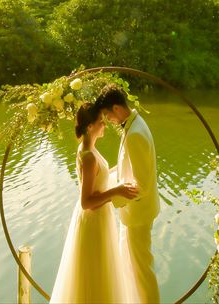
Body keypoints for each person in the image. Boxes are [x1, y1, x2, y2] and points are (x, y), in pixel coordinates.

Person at [50, 102, 139, 304]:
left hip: (98, 219)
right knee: (96, 274)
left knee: (97, 273)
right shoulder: (88, 157)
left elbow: (101, 176)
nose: (104, 125)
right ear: (90, 126)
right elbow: (86, 201)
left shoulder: (87, 148)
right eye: (100, 122)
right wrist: (117, 190)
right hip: (93, 221)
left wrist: (123, 168)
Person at [95, 84, 160, 304]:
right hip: (134, 213)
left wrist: (111, 196)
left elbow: (142, 184)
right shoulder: (134, 124)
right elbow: (128, 167)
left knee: (142, 270)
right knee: (131, 266)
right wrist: (106, 176)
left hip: (138, 215)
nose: (108, 120)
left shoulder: (135, 134)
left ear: (116, 108)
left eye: (107, 114)